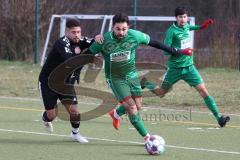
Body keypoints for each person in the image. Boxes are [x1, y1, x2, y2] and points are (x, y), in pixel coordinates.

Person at [83, 13, 193, 142]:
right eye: (118, 29)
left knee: (138, 105)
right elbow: (87, 54)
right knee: (132, 107)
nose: (121, 32)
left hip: (131, 74)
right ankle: (147, 138)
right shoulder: (104, 40)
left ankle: (116, 113)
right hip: (115, 78)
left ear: (128, 27)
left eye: (124, 29)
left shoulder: (135, 35)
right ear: (112, 27)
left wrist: (175, 51)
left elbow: (155, 43)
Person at [141, 7, 230, 127]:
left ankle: (219, 118)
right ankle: (146, 82)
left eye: (184, 17)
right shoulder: (171, 31)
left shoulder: (187, 26)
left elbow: (195, 28)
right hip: (175, 69)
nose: (182, 19)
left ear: (187, 17)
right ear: (176, 18)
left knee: (203, 91)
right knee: (161, 93)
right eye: (180, 17)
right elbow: (166, 51)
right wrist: (183, 52)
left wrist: (204, 26)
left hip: (189, 68)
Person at [38, 18, 102, 143]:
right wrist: (88, 54)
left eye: (78, 32)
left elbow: (94, 41)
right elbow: (71, 62)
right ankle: (45, 118)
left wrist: (99, 37)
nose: (77, 35)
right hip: (48, 82)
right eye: (73, 32)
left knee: (74, 110)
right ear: (67, 32)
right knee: (52, 115)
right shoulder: (61, 43)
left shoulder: (80, 40)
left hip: (66, 83)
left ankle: (75, 134)